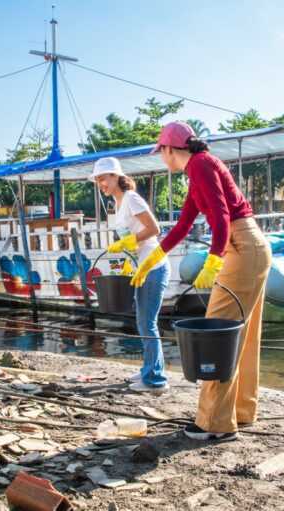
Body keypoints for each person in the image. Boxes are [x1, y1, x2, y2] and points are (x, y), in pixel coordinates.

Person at [131, 122, 272, 440]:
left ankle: (215, 424)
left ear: (170, 148)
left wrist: (214, 260)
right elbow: (182, 226)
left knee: (218, 334)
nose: (161, 157)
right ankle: (240, 411)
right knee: (242, 336)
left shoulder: (201, 165)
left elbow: (221, 217)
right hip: (251, 245)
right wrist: (153, 259)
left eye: (161, 151)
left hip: (240, 245)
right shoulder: (198, 171)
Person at [90, 156, 170, 393]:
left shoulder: (132, 198)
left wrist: (127, 241)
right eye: (97, 180)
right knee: (143, 322)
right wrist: (126, 252)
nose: (100, 183)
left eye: (103, 178)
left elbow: (154, 229)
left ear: (116, 176)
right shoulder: (118, 203)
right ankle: (149, 369)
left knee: (148, 323)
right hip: (140, 267)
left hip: (154, 267)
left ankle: (156, 380)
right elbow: (133, 239)